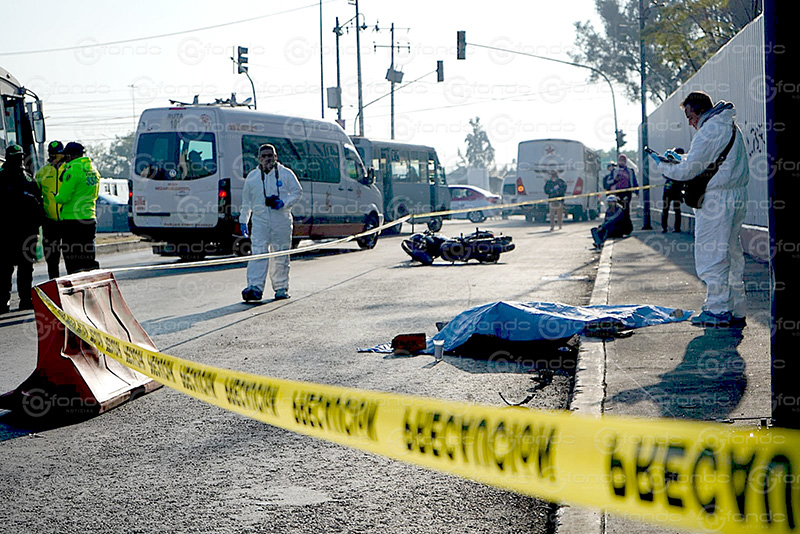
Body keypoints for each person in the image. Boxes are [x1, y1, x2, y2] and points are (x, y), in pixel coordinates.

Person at [656, 91, 749, 328]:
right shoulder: (729, 126)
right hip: (734, 196)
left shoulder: (709, 130)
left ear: (699, 111)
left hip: (716, 201)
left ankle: (717, 310)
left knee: (712, 255)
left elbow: (689, 171)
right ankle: (736, 309)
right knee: (731, 254)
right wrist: (683, 159)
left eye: (689, 115)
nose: (689, 122)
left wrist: (665, 166)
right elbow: (706, 160)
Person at [239, 144, 303, 302]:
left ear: (276, 157)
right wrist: (243, 221)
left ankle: (281, 287)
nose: (268, 158)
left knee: (281, 255)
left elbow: (297, 192)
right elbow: (246, 202)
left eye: (271, 155)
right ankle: (255, 287)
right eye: (264, 156)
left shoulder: (286, 174)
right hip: (260, 223)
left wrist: (284, 202)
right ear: (259, 159)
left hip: (281, 221)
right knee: (258, 254)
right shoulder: (252, 178)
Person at [0, 144, 43, 313]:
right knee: (7, 269)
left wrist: (36, 226)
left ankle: (22, 300)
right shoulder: (23, 179)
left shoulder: (27, 179)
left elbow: (38, 205)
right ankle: (9, 301)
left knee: (21, 268)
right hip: (10, 232)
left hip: (22, 232)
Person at [54, 142, 101, 274]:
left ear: (70, 155)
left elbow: (63, 198)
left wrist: (55, 197)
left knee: (73, 259)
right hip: (89, 218)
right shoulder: (93, 171)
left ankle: (75, 290)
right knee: (88, 257)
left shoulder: (73, 170)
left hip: (72, 221)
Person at [34, 140, 66, 278]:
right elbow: (36, 197)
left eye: (57, 154)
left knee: (72, 255)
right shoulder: (42, 173)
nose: (54, 157)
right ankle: (54, 280)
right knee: (52, 257)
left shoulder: (70, 170)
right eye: (52, 154)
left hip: (68, 220)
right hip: (49, 222)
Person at [606, 154, 639, 226]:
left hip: (627, 192)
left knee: (626, 209)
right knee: (617, 209)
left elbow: (634, 181)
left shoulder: (630, 171)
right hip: (617, 192)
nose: (622, 162)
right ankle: (618, 225)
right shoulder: (614, 171)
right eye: (620, 160)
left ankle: (627, 226)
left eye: (623, 160)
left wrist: (636, 191)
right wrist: (615, 180)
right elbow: (608, 182)